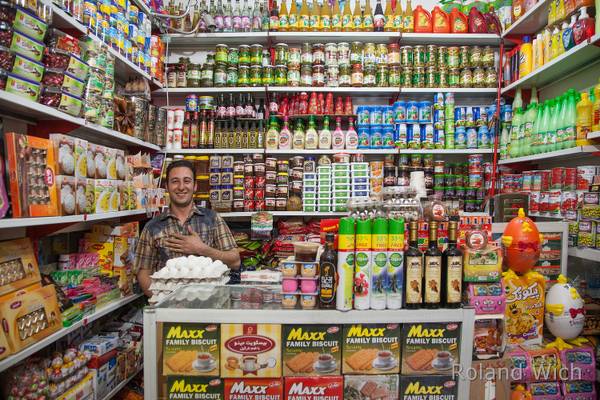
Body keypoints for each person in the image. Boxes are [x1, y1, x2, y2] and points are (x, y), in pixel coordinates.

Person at [134, 159, 240, 296]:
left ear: (195, 186)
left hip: (209, 306)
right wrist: (162, 302)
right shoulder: (153, 227)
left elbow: (235, 261)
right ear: (166, 187)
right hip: (169, 311)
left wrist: (202, 249)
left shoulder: (213, 219)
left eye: (187, 181)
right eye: (175, 181)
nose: (181, 187)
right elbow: (143, 274)